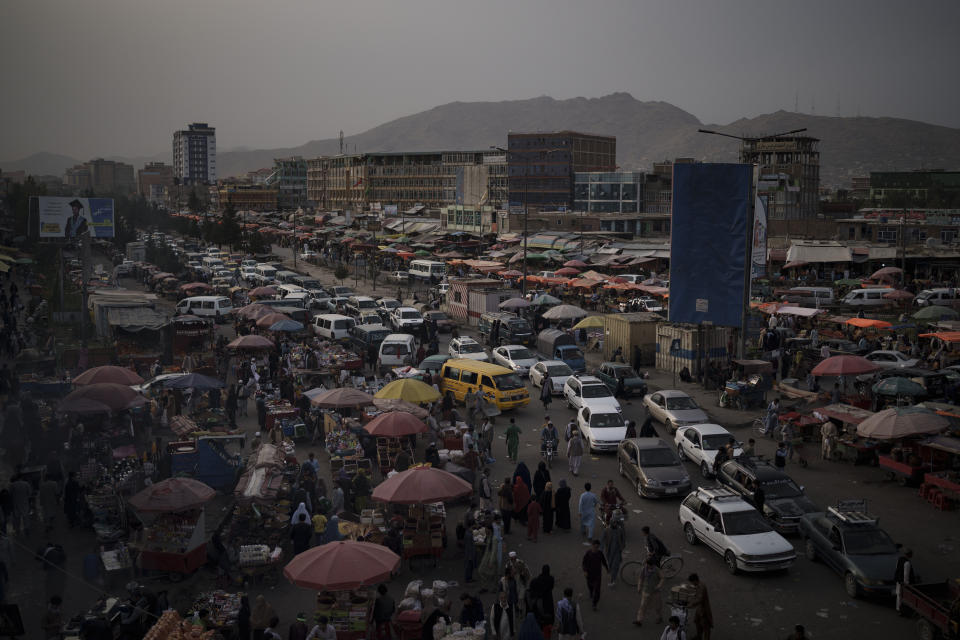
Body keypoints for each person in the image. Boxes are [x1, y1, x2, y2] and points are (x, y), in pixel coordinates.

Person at [633, 555, 664, 626]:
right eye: (647, 564)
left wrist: (659, 586)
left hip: (655, 592)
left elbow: (662, 578)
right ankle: (639, 620)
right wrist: (639, 587)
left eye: (650, 565)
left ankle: (659, 617)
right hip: (646, 591)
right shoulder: (644, 569)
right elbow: (641, 578)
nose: (648, 566)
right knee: (642, 606)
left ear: (653, 564)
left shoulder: (657, 570)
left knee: (657, 606)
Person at [581, 539, 607, 610]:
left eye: (597, 547)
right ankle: (591, 592)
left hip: (598, 575)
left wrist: (607, 569)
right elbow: (584, 563)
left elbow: (604, 561)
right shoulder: (588, 553)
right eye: (595, 547)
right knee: (590, 585)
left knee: (597, 590)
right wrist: (585, 571)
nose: (596, 548)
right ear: (592, 546)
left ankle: (594, 604)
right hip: (589, 574)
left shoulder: (600, 553)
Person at [602, 514, 625, 587]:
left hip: (617, 551)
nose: (615, 524)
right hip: (609, 551)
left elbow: (623, 539)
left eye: (616, 522)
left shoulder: (620, 530)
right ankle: (613, 574)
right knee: (611, 564)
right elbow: (602, 540)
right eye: (614, 522)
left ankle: (613, 580)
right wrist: (600, 549)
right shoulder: (606, 530)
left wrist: (622, 547)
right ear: (611, 522)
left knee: (615, 565)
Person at [687, 574, 713, 640]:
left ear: (695, 580)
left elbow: (700, 599)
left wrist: (691, 604)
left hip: (704, 610)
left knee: (706, 627)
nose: (692, 584)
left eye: (692, 582)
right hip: (699, 608)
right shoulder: (697, 585)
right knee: (697, 622)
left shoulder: (702, 587)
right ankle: (699, 636)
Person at [896, 549, 916, 614]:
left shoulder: (900, 559)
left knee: (898, 595)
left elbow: (897, 569)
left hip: (898, 580)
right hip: (903, 583)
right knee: (902, 596)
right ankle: (901, 610)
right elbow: (906, 575)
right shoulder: (907, 563)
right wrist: (906, 584)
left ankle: (898, 608)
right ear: (910, 555)